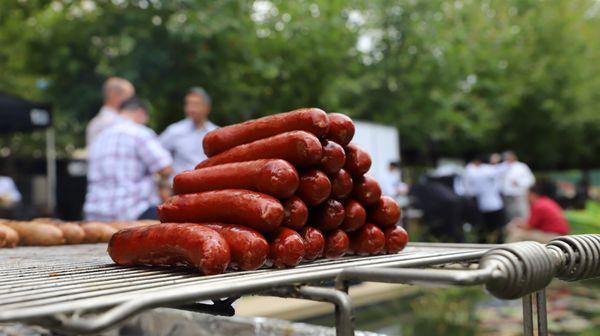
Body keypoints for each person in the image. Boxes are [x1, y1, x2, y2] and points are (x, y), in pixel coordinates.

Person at [84, 97, 173, 221]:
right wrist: (162, 185)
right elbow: (165, 168)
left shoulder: (99, 138)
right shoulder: (139, 132)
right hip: (132, 213)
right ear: (141, 113)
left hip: (95, 215)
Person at [160, 87, 218, 177]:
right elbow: (157, 155)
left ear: (207, 108)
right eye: (188, 104)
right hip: (180, 188)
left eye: (195, 104)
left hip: (208, 187)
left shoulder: (216, 133)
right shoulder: (174, 131)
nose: (191, 109)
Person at [463, 155, 505, 243]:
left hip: (483, 205)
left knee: (483, 230)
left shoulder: (475, 172)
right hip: (496, 204)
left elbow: (470, 191)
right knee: (498, 230)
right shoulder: (493, 170)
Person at [86, 77, 135, 146]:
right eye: (128, 97)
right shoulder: (116, 122)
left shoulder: (95, 122)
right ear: (114, 95)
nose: (131, 102)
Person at [501, 151, 535, 221]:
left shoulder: (522, 166)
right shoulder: (502, 167)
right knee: (509, 213)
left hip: (519, 194)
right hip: (506, 195)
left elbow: (531, 180)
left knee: (522, 212)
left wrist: (519, 183)